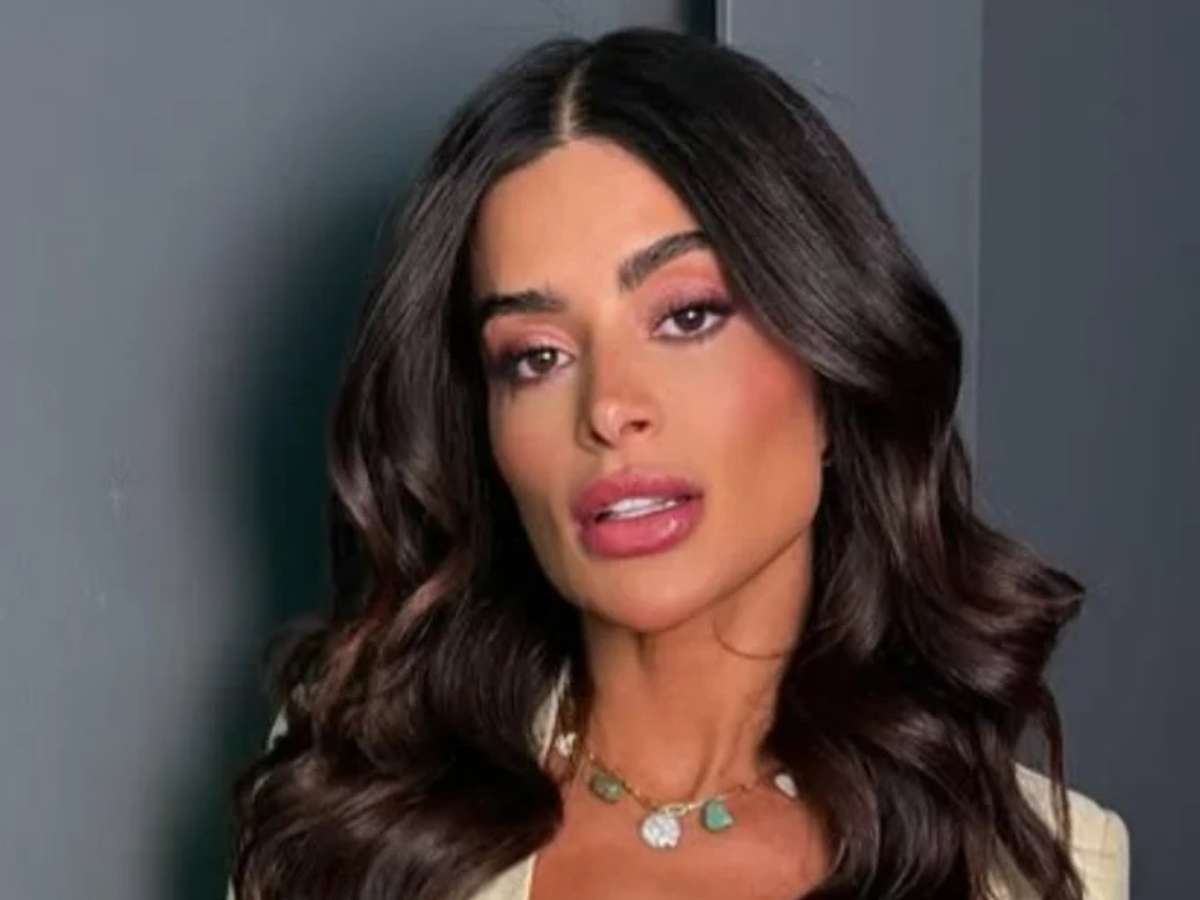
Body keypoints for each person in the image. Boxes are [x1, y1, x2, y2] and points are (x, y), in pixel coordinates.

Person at [227, 27, 1128, 900]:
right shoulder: (357, 819)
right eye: (536, 356)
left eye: (687, 317)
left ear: (832, 360)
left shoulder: (1036, 869)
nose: (609, 407)